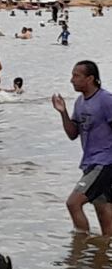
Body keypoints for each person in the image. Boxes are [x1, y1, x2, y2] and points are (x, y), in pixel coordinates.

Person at [52, 60, 112, 235]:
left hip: (105, 162)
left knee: (73, 203)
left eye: (76, 76)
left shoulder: (106, 100)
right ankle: (101, 255)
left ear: (90, 78)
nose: (72, 80)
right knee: (103, 210)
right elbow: (72, 134)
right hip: (90, 162)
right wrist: (62, 112)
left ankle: (81, 247)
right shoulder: (79, 102)